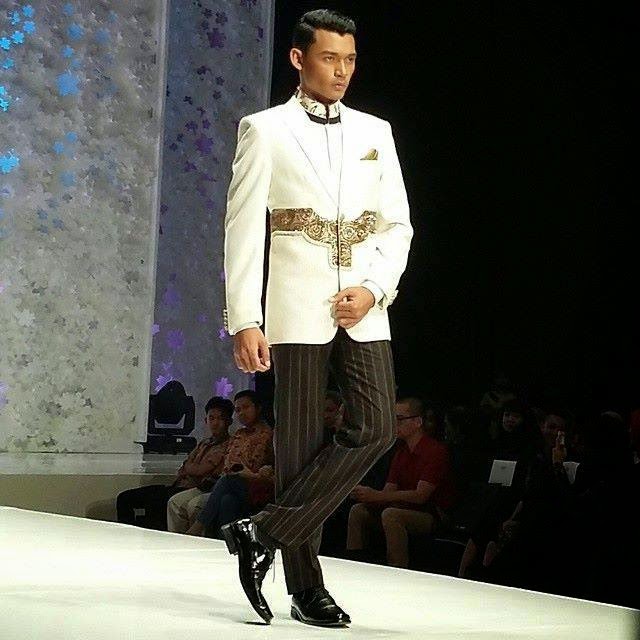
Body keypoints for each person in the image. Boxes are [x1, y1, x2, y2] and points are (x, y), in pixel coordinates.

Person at [221, 9, 412, 627]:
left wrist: (375, 288)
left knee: (377, 426)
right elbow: (243, 228)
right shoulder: (265, 129)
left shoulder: (376, 131)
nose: (342, 71)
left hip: (364, 305)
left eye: (350, 59)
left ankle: (261, 532)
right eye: (330, 58)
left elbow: (398, 225)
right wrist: (244, 318)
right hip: (295, 306)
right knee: (299, 449)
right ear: (299, 59)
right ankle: (306, 590)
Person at [346, 397, 456, 568]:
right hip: (402, 507)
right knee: (358, 510)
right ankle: (354, 564)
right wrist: (367, 495)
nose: (394, 424)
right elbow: (388, 491)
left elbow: (421, 496)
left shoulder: (435, 451)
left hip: (432, 514)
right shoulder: (401, 452)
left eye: (399, 419)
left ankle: (397, 568)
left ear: (417, 422)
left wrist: (376, 496)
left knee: (391, 515)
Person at [117, 396, 232, 530]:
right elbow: (185, 466)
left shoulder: (228, 446)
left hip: (192, 489)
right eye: (211, 418)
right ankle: (127, 535)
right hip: (176, 485)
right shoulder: (204, 443)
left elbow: (200, 471)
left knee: (156, 505)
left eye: (220, 419)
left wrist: (190, 467)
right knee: (125, 498)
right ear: (206, 420)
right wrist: (190, 468)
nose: (215, 423)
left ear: (229, 422)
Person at [184, 390, 274, 537]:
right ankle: (225, 544)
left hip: (255, 486)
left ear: (258, 408)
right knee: (227, 500)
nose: (242, 413)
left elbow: (272, 468)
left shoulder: (269, 435)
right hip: (233, 485)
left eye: (246, 407)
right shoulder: (239, 434)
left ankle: (198, 526)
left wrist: (253, 474)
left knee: (227, 480)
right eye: (238, 410)